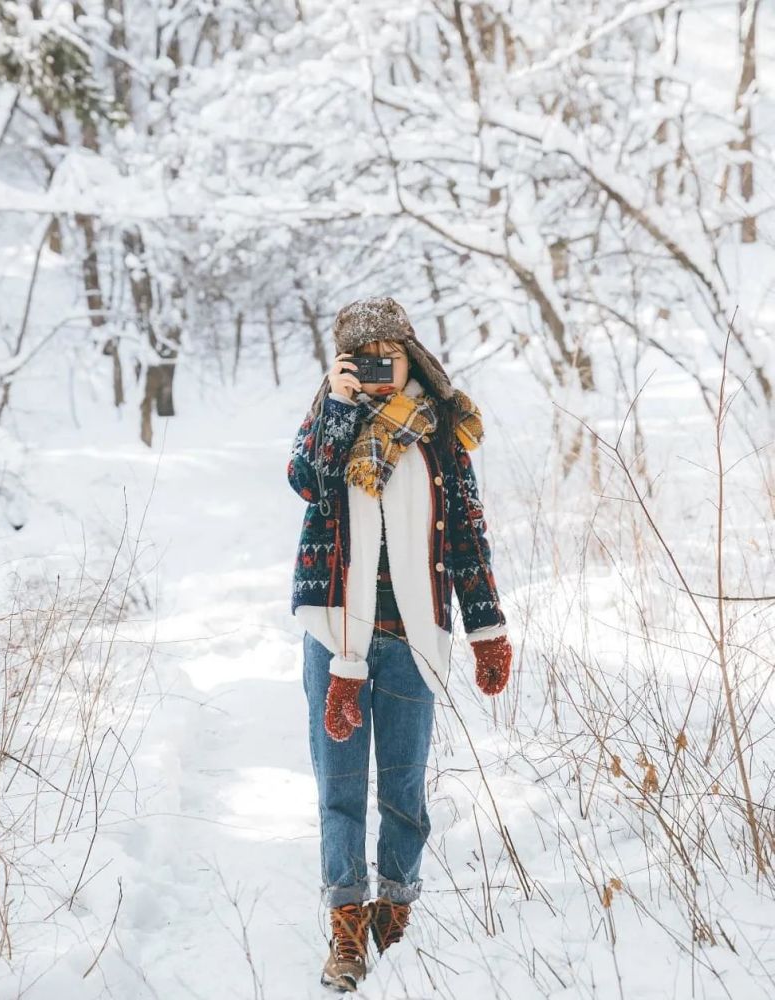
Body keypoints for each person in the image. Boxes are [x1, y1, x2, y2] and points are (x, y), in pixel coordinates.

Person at [287, 296, 513, 993]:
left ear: (412, 352)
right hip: (335, 635)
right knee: (342, 789)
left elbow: (469, 533)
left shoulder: (441, 431)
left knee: (406, 788)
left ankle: (396, 910)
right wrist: (340, 404)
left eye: (391, 352)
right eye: (366, 356)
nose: (382, 367)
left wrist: (487, 628)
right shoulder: (331, 414)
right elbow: (306, 478)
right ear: (346, 362)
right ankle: (347, 925)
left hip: (414, 636)